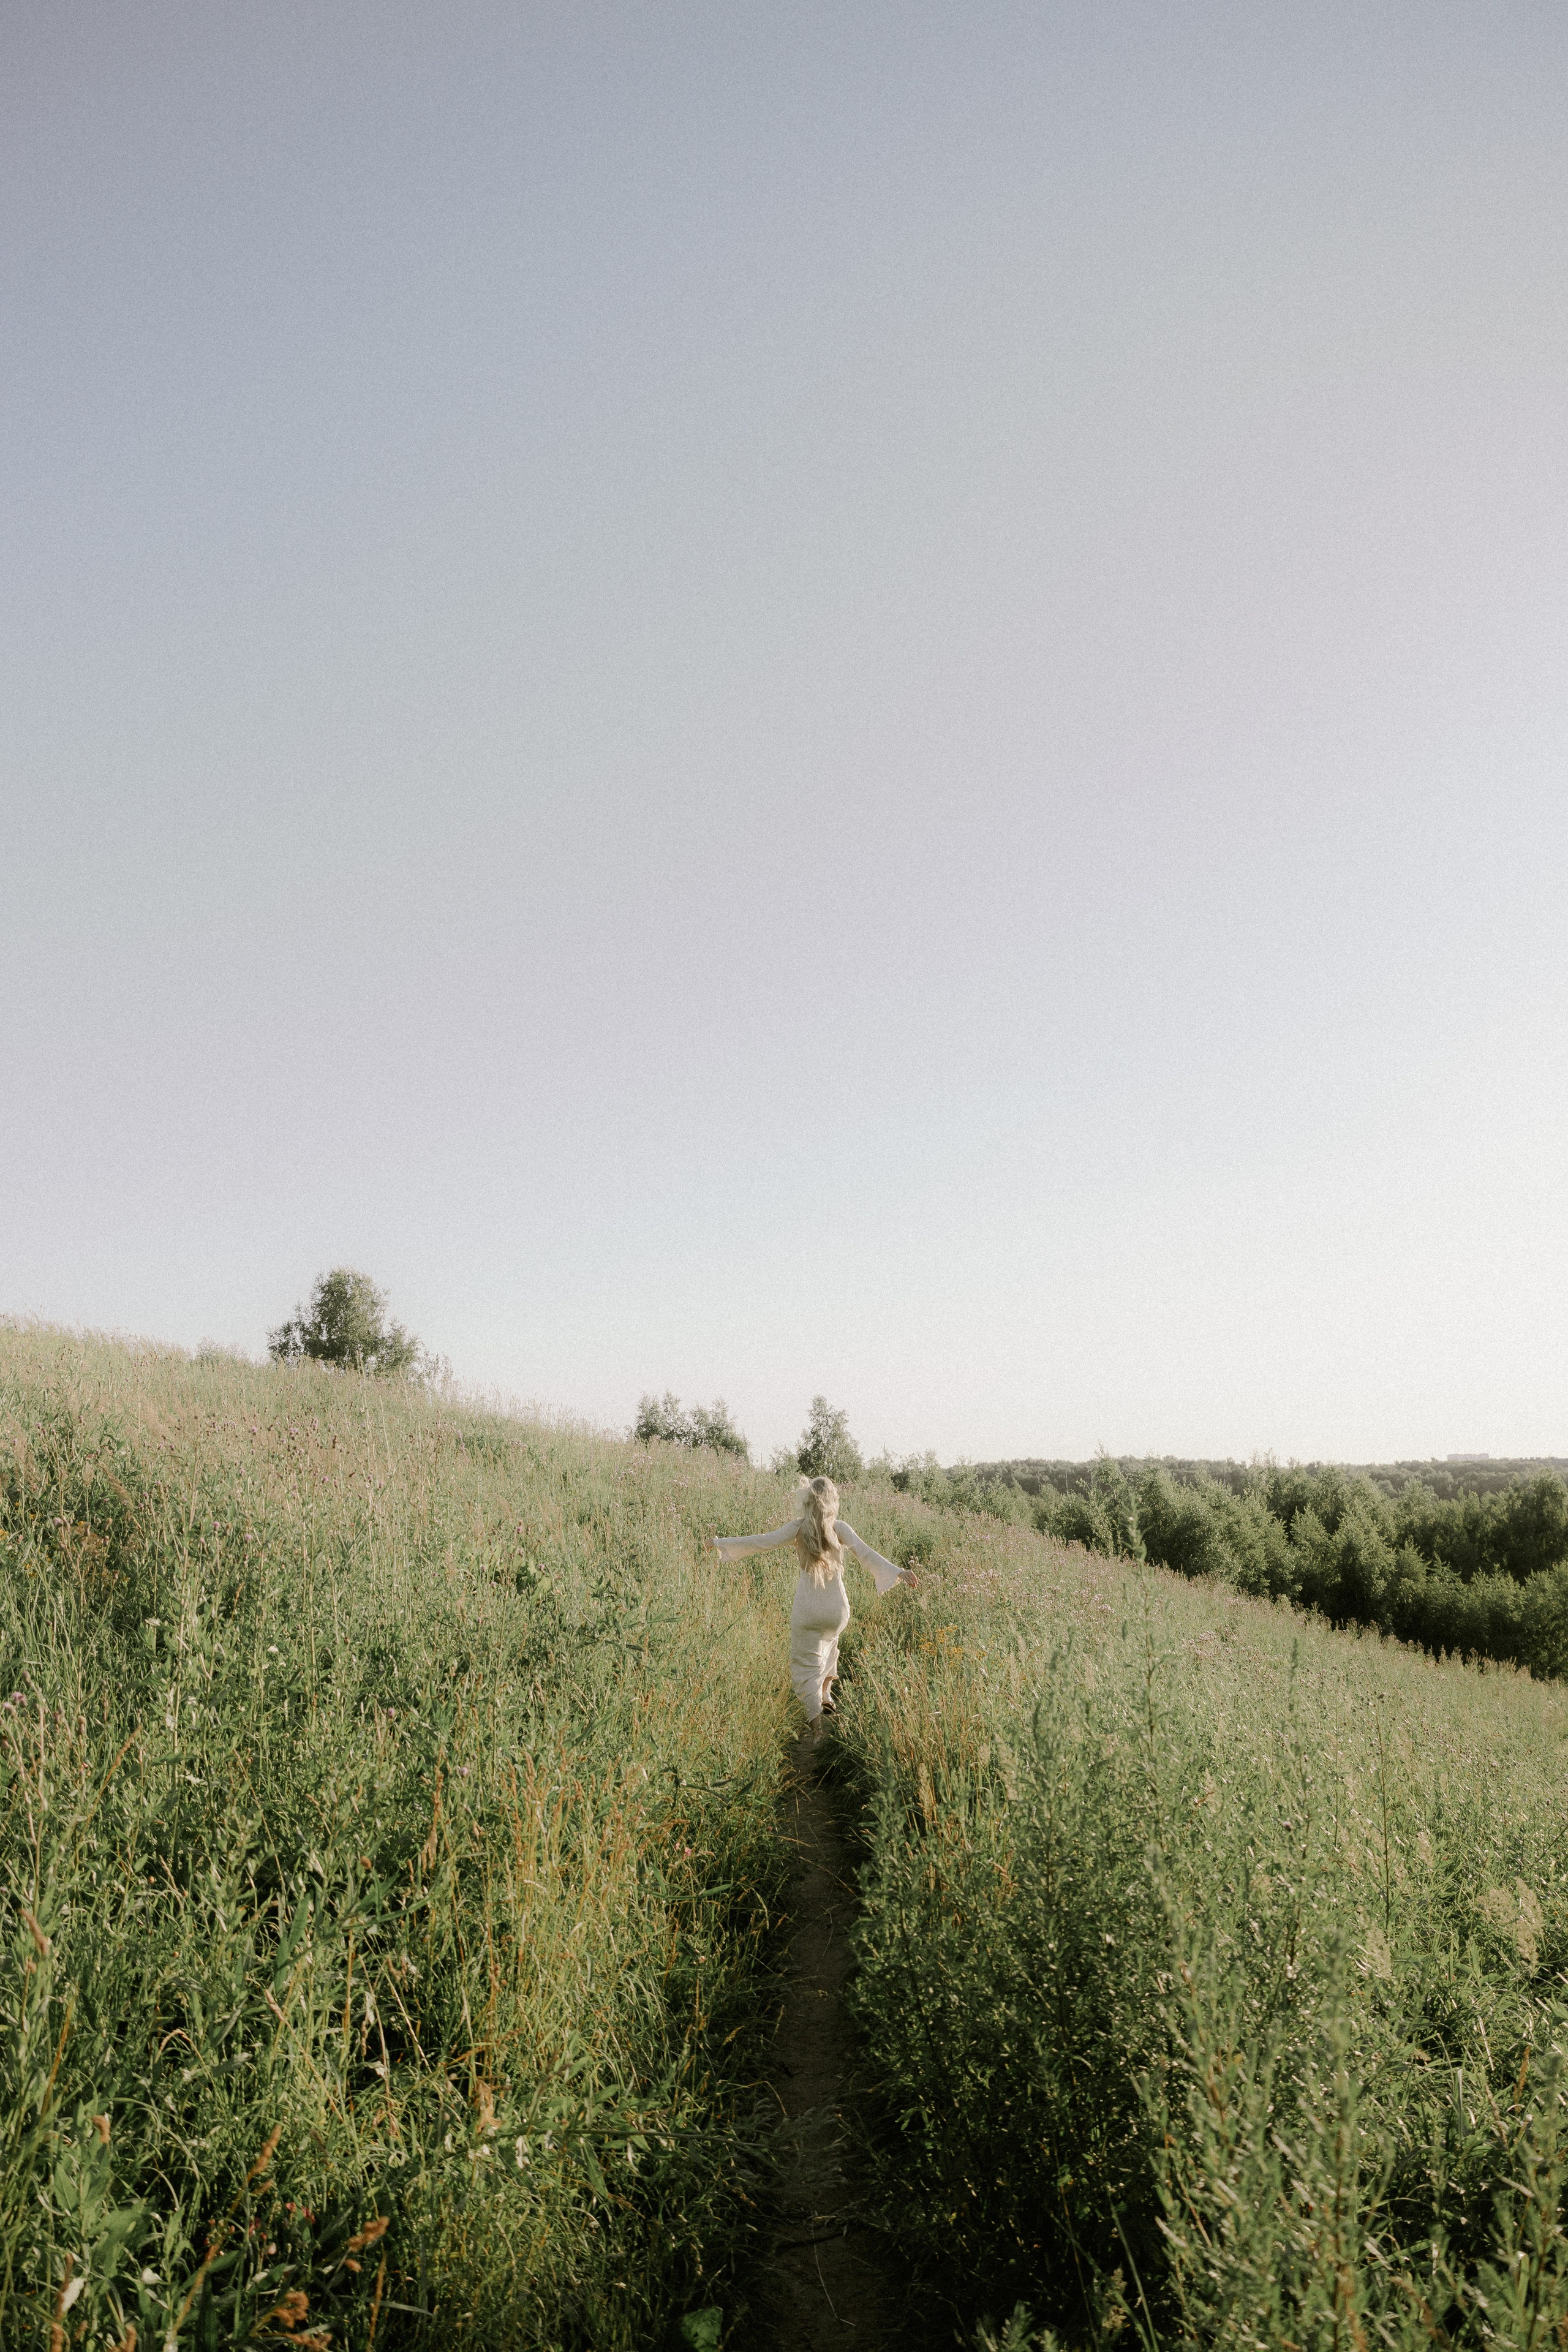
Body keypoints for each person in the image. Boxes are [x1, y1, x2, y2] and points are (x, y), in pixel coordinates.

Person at [714, 1474, 917, 1732]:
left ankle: (817, 1725)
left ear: (808, 1500)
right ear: (833, 1500)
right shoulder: (839, 1528)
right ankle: (827, 1695)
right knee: (831, 1644)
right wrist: (898, 1572)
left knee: (806, 1664)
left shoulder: (798, 1529)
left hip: (807, 1609)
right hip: (836, 1610)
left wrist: (721, 1544)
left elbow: (761, 1541)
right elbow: (866, 1554)